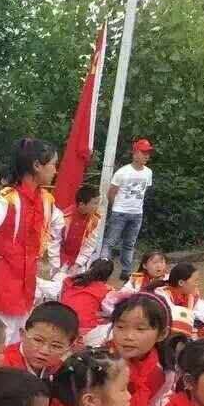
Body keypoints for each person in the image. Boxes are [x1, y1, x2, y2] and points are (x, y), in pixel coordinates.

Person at [0, 138, 62, 346]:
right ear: (37, 165)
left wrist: (54, 262)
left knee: (17, 345)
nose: (56, 170)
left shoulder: (45, 200)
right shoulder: (6, 200)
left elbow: (58, 226)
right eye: (53, 164)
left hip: (25, 289)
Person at [98, 292, 175, 406]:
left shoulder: (164, 373)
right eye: (121, 327)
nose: (128, 337)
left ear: (162, 334)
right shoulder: (99, 361)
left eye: (140, 329)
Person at [101, 138, 154, 274]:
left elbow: (145, 191)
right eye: (143, 152)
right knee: (110, 242)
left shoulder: (148, 172)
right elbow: (111, 192)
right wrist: (116, 207)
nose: (147, 156)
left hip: (137, 213)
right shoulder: (122, 172)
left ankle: (126, 272)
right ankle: (102, 270)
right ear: (135, 153)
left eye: (148, 153)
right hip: (120, 212)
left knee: (129, 244)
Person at [2, 301, 78, 377]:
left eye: (56, 346)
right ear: (23, 334)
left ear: (69, 348)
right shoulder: (2, 366)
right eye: (38, 340)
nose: (44, 351)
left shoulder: (65, 367)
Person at [155, 263, 204, 338]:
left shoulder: (189, 294)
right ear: (181, 283)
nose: (197, 284)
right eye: (195, 281)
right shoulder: (162, 295)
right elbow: (173, 317)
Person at [60, 258, 115, 335]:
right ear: (108, 276)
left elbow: (62, 299)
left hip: (61, 322)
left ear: (90, 268)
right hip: (84, 329)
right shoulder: (105, 290)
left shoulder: (69, 280)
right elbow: (111, 311)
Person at [59, 185, 101, 275]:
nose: (97, 206)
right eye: (94, 203)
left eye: (98, 203)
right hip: (60, 259)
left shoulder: (95, 220)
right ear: (81, 204)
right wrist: (56, 262)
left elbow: (89, 245)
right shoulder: (64, 216)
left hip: (80, 261)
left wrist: (77, 264)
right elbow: (55, 241)